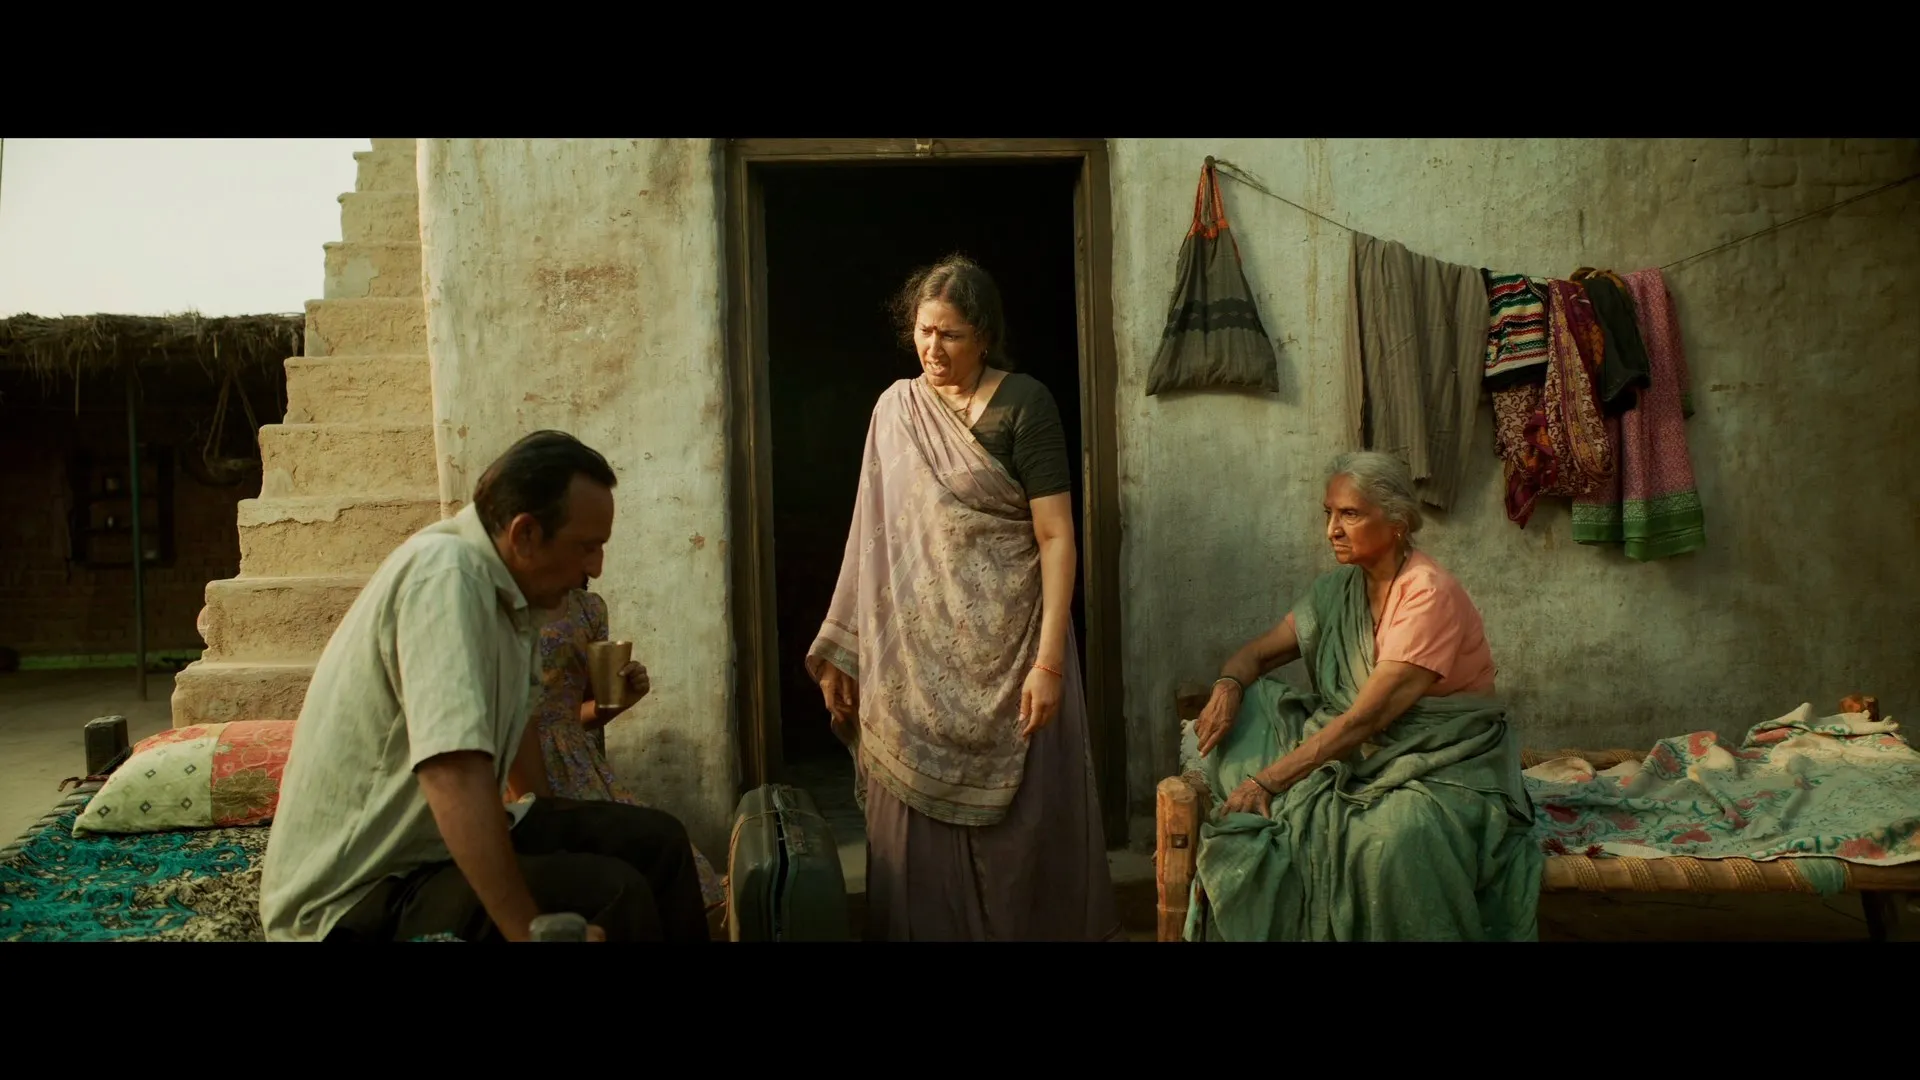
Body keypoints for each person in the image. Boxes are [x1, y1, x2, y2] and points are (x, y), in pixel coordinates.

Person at [259, 431, 710, 943]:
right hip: (360, 894)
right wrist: (529, 932)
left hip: (429, 850)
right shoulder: (446, 575)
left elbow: (522, 743)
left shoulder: (513, 602)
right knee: (613, 892)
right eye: (587, 547)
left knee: (658, 842)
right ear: (525, 534)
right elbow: (452, 770)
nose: (595, 568)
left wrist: (558, 830)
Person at [806, 254, 1121, 941]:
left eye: (950, 334)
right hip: (913, 660)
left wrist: (1048, 663)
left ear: (984, 335)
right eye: (924, 331)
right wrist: (845, 649)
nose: (933, 348)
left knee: (1024, 826)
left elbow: (1056, 536)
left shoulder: (1026, 403)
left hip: (1016, 643)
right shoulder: (896, 410)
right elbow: (871, 536)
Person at [1186, 450, 1542, 941]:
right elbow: (1256, 656)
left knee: (1390, 841)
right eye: (1328, 513)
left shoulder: (1427, 594)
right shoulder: (1337, 589)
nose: (1332, 529)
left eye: (1349, 514)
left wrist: (1266, 782)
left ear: (1397, 522)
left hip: (1441, 757)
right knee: (1253, 700)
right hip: (1360, 745)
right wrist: (1228, 686)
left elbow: (1364, 721)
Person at [506, 582, 727, 914]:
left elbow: (581, 712)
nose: (596, 565)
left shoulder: (589, 609)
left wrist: (623, 697)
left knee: (681, 863)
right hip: (513, 764)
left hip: (577, 761)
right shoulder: (498, 604)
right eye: (588, 552)